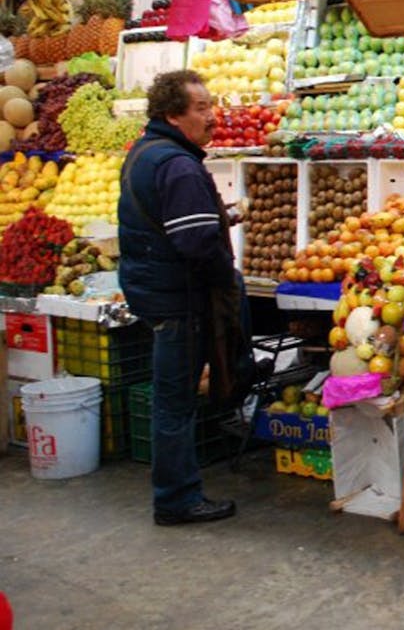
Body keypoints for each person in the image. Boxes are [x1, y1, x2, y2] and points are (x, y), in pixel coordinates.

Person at [118, 70, 239, 526]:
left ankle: (177, 490)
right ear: (174, 114)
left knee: (175, 394)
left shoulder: (145, 153)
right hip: (176, 296)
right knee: (175, 399)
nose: (212, 116)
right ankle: (176, 498)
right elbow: (194, 243)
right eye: (201, 108)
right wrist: (223, 279)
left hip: (152, 287)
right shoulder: (178, 165)